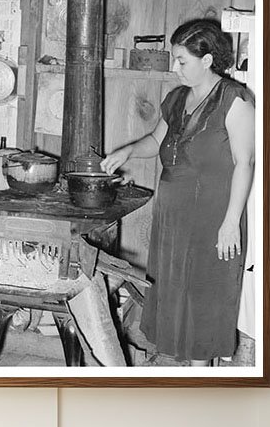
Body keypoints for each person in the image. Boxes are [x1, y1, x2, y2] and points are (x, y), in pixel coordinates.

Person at [101, 18, 256, 366]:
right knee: (174, 290)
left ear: (207, 60)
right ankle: (184, 365)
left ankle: (200, 373)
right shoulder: (176, 99)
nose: (175, 68)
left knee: (204, 293)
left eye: (182, 61)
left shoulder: (235, 102)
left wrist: (231, 221)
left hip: (213, 214)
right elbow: (156, 141)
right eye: (174, 59)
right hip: (173, 214)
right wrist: (126, 150)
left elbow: (244, 163)